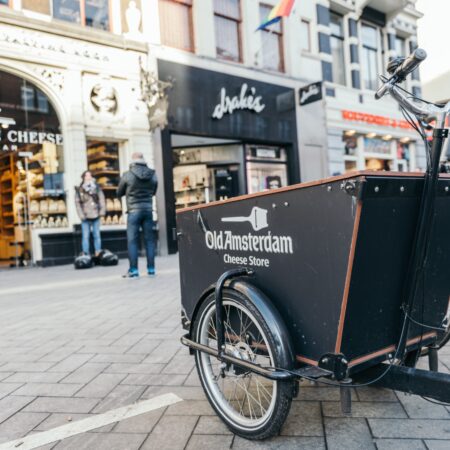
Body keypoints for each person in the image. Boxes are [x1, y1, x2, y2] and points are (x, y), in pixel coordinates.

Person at [117, 152, 158, 278]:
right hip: (148, 210)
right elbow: (154, 191)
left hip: (133, 211)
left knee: (132, 241)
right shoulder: (152, 174)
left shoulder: (127, 175)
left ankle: (134, 270)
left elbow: (119, 192)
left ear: (133, 160)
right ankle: (151, 269)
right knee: (150, 241)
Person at [75, 171, 106, 256]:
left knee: (97, 235)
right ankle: (86, 253)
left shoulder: (96, 188)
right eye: (86, 175)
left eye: (90, 175)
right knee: (85, 236)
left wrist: (102, 212)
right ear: (83, 177)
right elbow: (77, 203)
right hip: (85, 216)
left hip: (96, 214)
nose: (88, 177)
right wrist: (81, 215)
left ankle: (98, 252)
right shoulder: (79, 189)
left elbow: (102, 199)